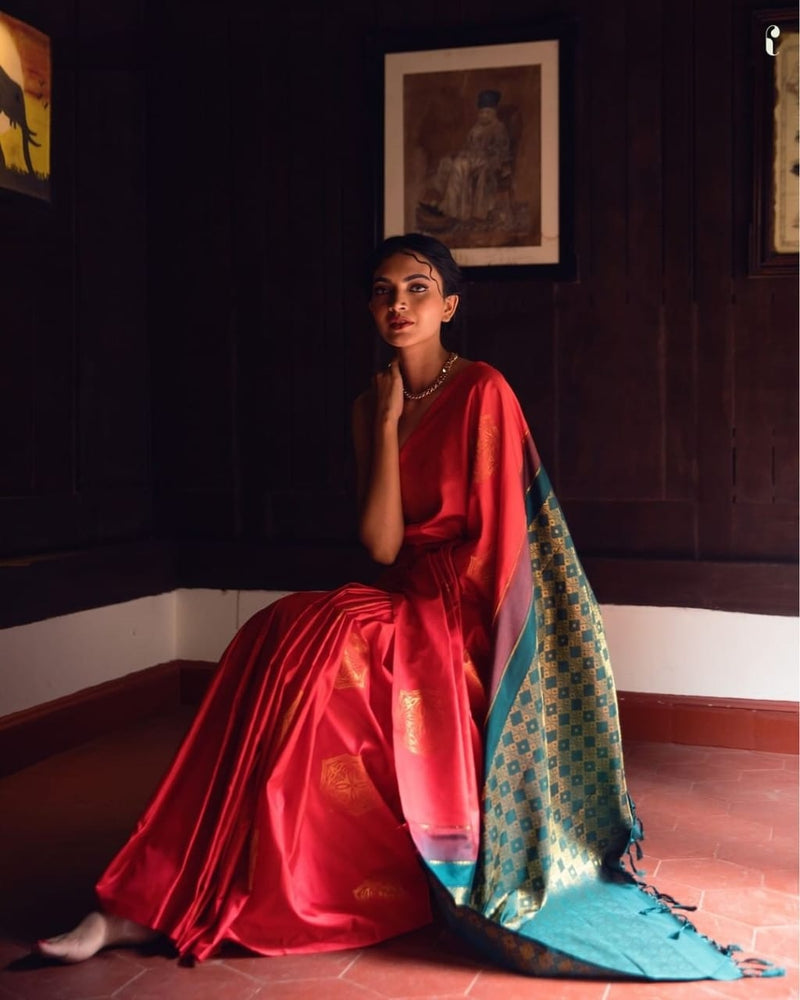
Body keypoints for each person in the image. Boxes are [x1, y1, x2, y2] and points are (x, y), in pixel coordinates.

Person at [37, 234, 771, 982]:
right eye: (384, 291)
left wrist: (464, 631)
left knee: (330, 636)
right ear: (369, 308)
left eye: (418, 289)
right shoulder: (369, 406)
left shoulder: (483, 389)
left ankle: (249, 890)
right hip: (407, 592)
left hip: (470, 612)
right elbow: (383, 544)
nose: (399, 304)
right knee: (278, 630)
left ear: (448, 306)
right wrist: (387, 424)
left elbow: (505, 547)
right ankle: (152, 895)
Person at [422, 89, 512, 223]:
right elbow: (467, 146)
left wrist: (484, 156)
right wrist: (462, 154)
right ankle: (445, 202)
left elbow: (501, 152)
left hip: (489, 162)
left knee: (460, 165)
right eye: (481, 112)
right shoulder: (476, 128)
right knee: (448, 162)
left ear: (494, 113)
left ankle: (451, 210)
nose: (484, 116)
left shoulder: (499, 128)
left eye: (487, 112)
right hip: (473, 159)